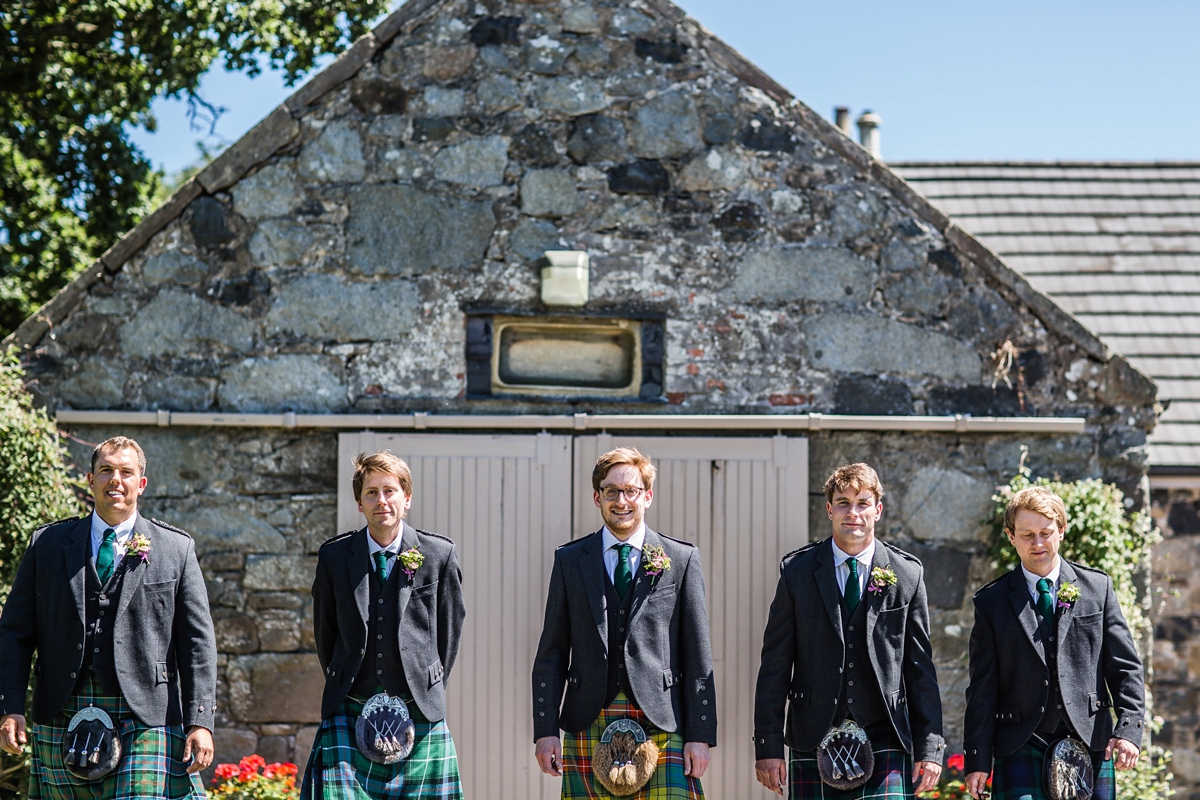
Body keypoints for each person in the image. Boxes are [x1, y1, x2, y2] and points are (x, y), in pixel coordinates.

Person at [0, 435, 217, 798]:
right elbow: (15, 632)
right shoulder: (48, 545)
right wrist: (10, 707)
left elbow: (197, 642)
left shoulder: (175, 549)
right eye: (106, 470)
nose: (116, 479)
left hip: (147, 714)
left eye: (126, 472)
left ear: (141, 483)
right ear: (90, 479)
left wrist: (201, 720)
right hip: (60, 707)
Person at [532, 447, 716, 799]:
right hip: (587, 717)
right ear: (596, 497)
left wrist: (700, 734)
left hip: (662, 718)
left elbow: (698, 655)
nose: (621, 500)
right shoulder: (570, 560)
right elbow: (551, 653)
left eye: (631, 490)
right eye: (611, 491)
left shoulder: (680, 559)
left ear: (647, 496)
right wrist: (546, 729)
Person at [754, 463, 945, 798]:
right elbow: (775, 666)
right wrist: (768, 746)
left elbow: (920, 671)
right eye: (843, 502)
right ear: (829, 509)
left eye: (863, 503)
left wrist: (930, 748)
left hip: (884, 731)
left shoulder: (907, 574)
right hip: (813, 731)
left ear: (878, 510)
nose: (853, 513)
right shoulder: (797, 573)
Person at [302, 451, 466, 799]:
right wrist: (344, 675)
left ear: (407, 498)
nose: (382, 501)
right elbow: (325, 632)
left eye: (390, 491)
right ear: (359, 503)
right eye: (371, 493)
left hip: (418, 707)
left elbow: (449, 631)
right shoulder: (335, 557)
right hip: (350, 702)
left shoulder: (438, 555)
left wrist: (426, 683)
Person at [963, 486, 1145, 800]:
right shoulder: (991, 602)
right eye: (1026, 534)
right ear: (1011, 536)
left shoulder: (1096, 588)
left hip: (1090, 737)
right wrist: (977, 758)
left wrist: (1128, 728)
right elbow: (983, 687)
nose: (1037, 543)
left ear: (1061, 530)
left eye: (1045, 533)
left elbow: (1125, 667)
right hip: (1021, 741)